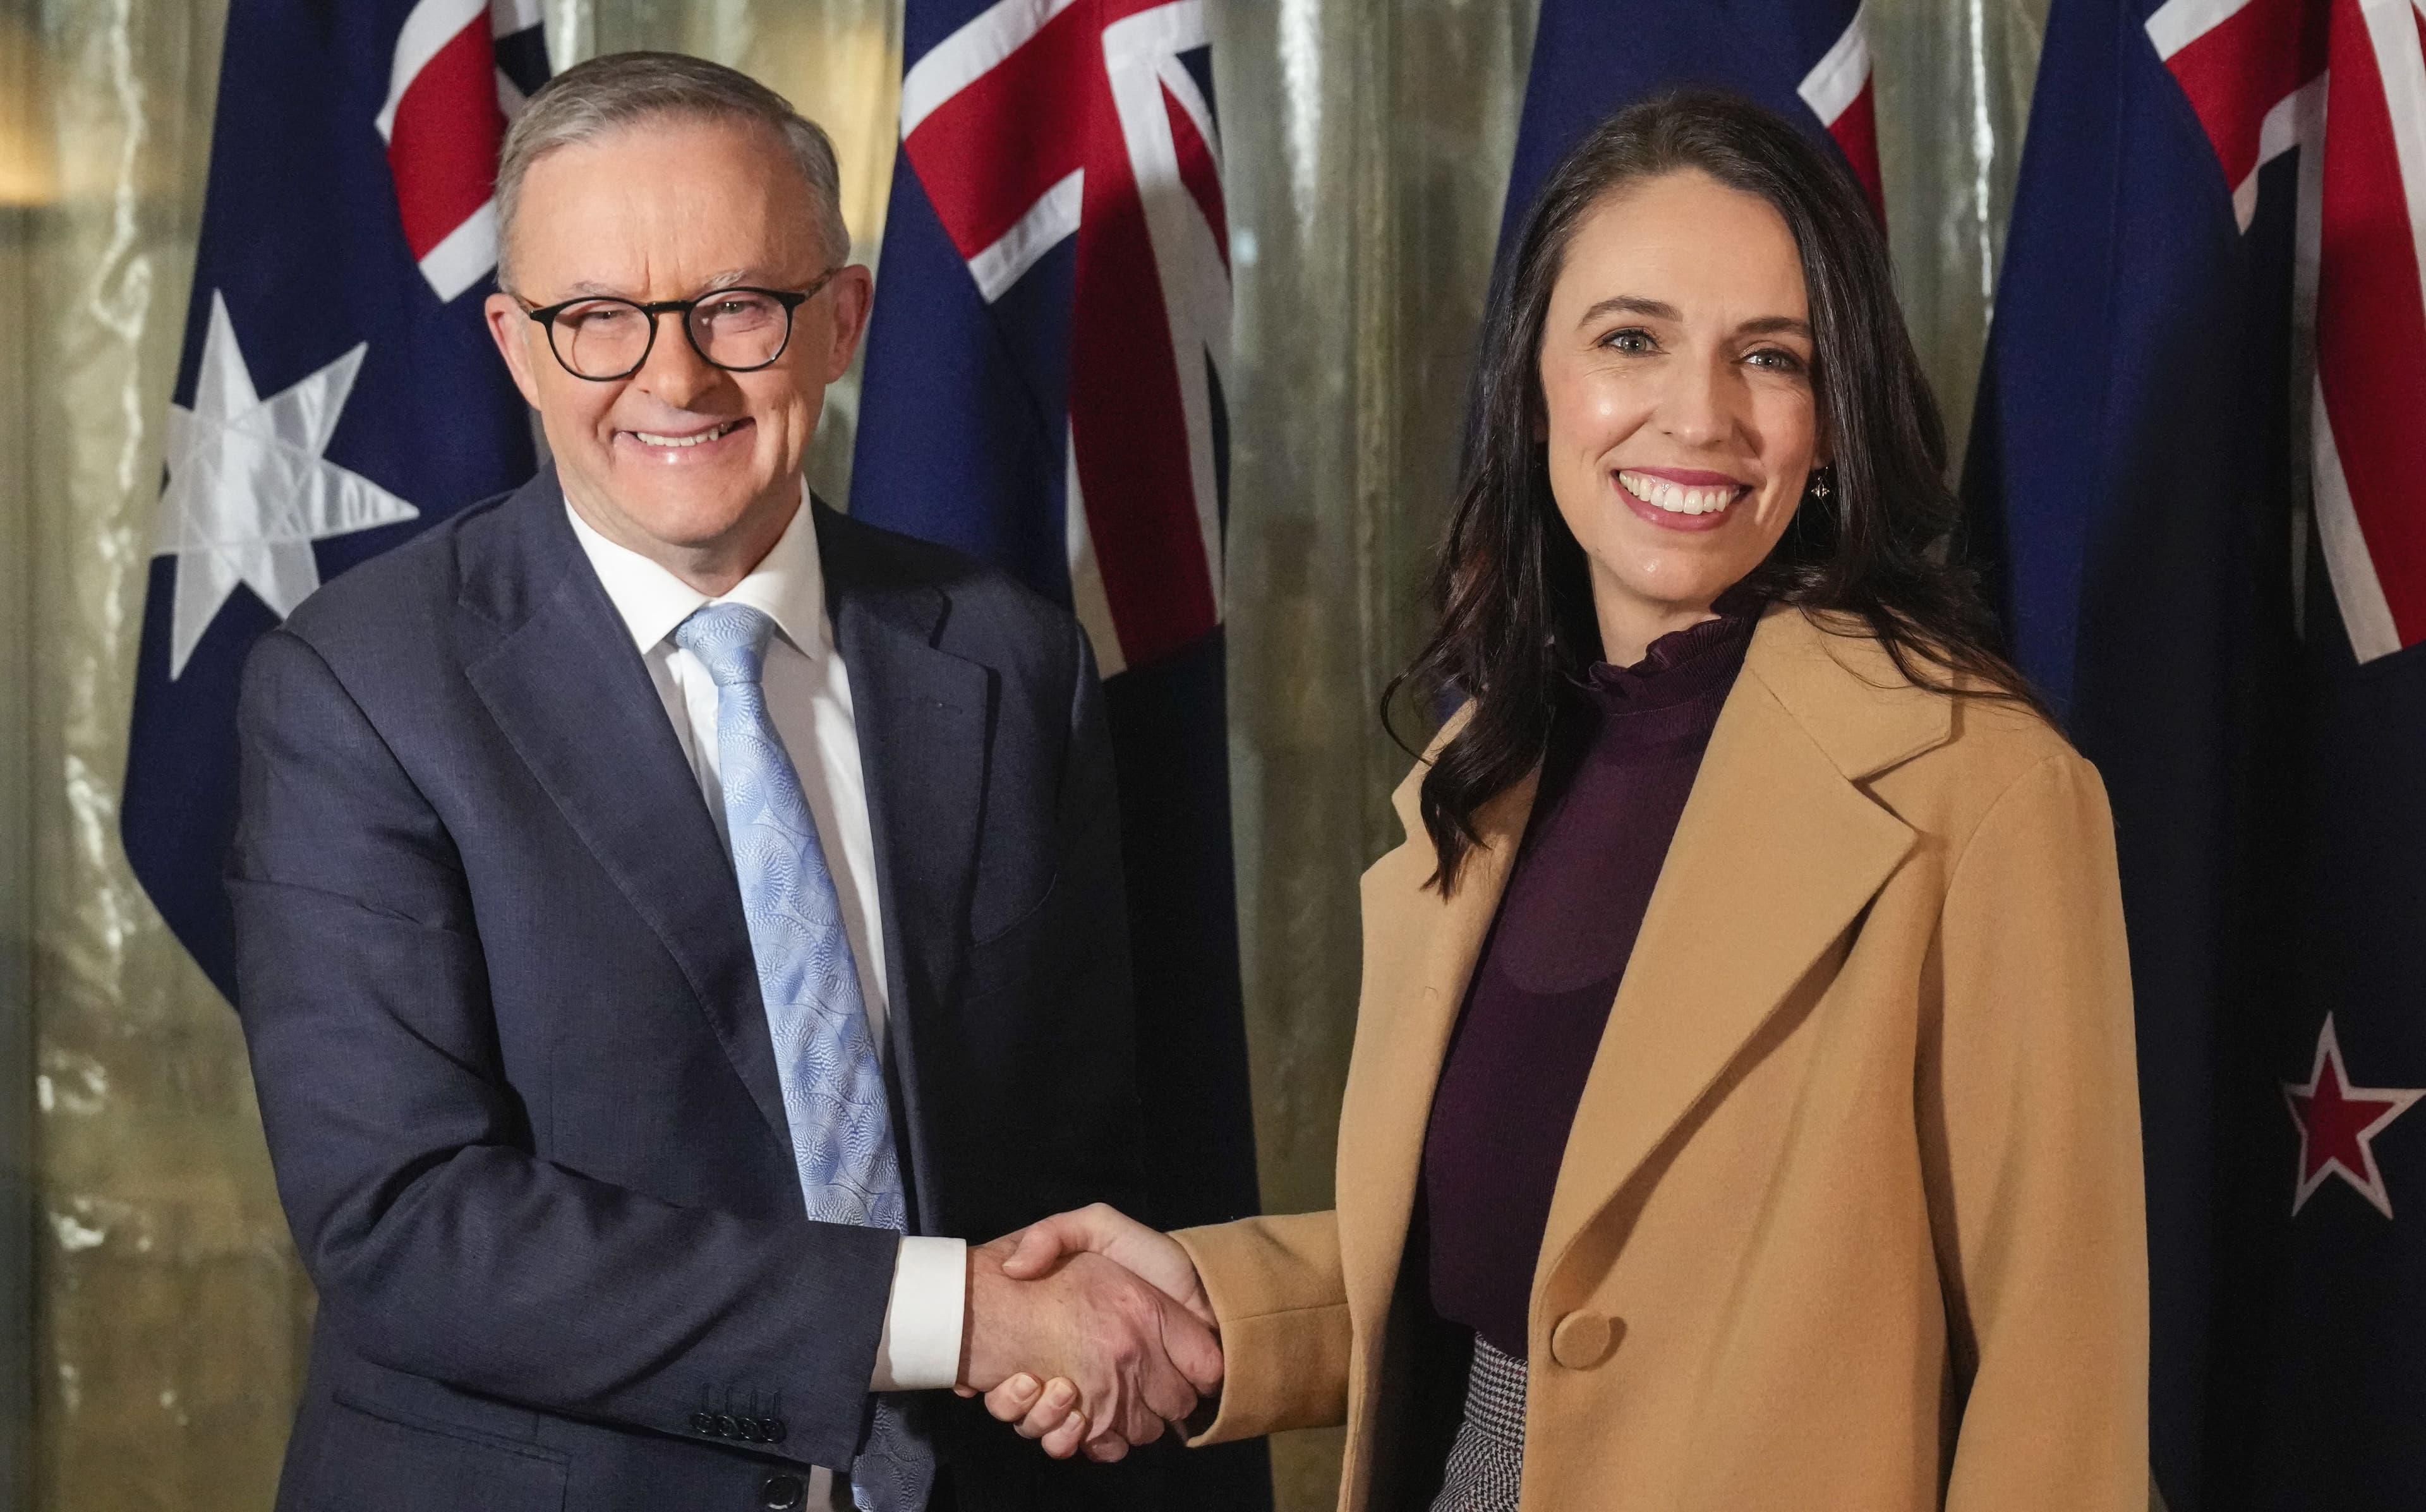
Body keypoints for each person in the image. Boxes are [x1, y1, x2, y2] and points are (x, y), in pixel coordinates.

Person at [983, 91, 2150, 1509]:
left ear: (1834, 420)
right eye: (1632, 340)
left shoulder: (1981, 788)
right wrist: (1203, 1303)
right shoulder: (1486, 767)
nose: (1699, 414)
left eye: (1770, 357)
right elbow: (1519, 1255)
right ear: (1536, 386)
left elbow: (2059, 1383)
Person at [227, 52, 1222, 1512]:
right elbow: (409, 1224)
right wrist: (953, 1315)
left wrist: (1061, 1330)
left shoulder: (1012, 659)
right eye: (597, 320)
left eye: (737, 306)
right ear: (514, 345)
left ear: (842, 323)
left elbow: (1072, 1142)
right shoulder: (357, 687)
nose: (673, 376)